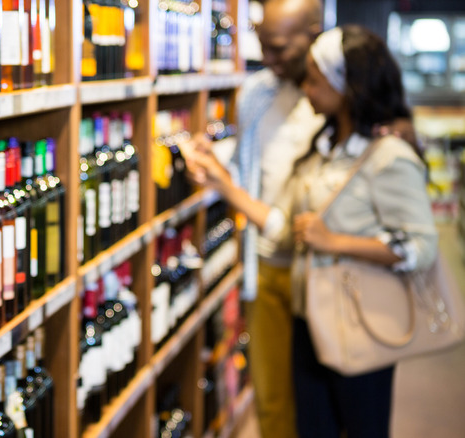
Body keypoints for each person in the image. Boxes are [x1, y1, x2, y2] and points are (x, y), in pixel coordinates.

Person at [186, 25, 438, 437]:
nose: (305, 90)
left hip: (362, 324)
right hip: (311, 319)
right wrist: (225, 185)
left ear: (348, 88)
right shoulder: (324, 148)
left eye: (316, 82)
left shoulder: (389, 155)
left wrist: (336, 242)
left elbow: (421, 247)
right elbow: (289, 229)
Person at [187, 1, 326, 436]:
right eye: (263, 46)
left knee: (321, 402)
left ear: (314, 32)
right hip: (267, 266)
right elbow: (248, 170)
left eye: (279, 48)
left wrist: (229, 188)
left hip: (321, 270)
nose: (268, 59)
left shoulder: (335, 98)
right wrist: (214, 163)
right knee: (272, 400)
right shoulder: (257, 93)